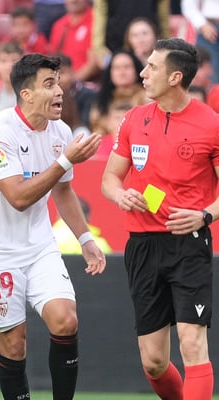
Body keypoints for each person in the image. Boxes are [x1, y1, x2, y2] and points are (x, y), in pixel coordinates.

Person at [0, 53, 106, 400]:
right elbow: (18, 197)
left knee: (66, 320)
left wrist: (85, 238)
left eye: (58, 82)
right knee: (15, 345)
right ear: (26, 94)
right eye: (49, 84)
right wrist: (65, 160)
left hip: (39, 247)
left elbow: (63, 190)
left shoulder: (60, 131)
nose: (59, 91)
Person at [101, 38, 217, 400]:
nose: (143, 73)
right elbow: (110, 178)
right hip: (142, 244)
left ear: (175, 77)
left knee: (192, 342)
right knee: (153, 361)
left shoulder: (211, 124)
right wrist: (121, 195)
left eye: (152, 67)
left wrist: (204, 215)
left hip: (189, 244)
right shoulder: (135, 118)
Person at [181, 0, 219, 83]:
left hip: (209, 27)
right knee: (210, 75)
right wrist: (202, 24)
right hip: (209, 28)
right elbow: (188, 5)